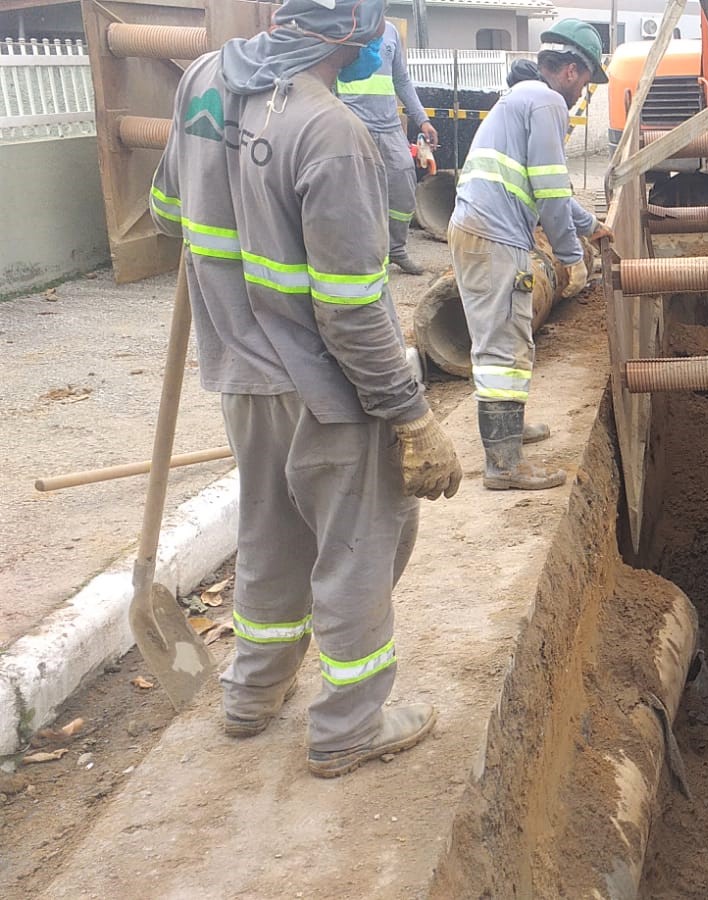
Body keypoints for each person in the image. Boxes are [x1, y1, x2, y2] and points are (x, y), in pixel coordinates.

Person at [149, 0, 463, 777]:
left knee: (270, 536)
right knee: (360, 547)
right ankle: (348, 727)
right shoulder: (334, 133)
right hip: (325, 389)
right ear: (356, 33)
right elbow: (354, 315)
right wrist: (411, 414)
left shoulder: (201, 79)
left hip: (241, 376)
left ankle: (252, 696)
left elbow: (164, 213)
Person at [448, 20, 611, 490]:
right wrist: (569, 254)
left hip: (482, 229)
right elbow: (550, 187)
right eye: (585, 83)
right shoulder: (546, 102)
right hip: (495, 237)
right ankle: (504, 465)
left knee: (506, 337)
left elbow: (546, 190)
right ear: (571, 71)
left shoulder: (522, 98)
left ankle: (510, 433)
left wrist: (591, 226)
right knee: (504, 347)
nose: (582, 94)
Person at [338, 20, 438, 276]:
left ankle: (396, 249)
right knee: (359, 195)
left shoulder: (390, 31)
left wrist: (422, 119)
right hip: (353, 121)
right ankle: (366, 256)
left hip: (389, 125)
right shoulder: (341, 26)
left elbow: (401, 79)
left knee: (403, 186)